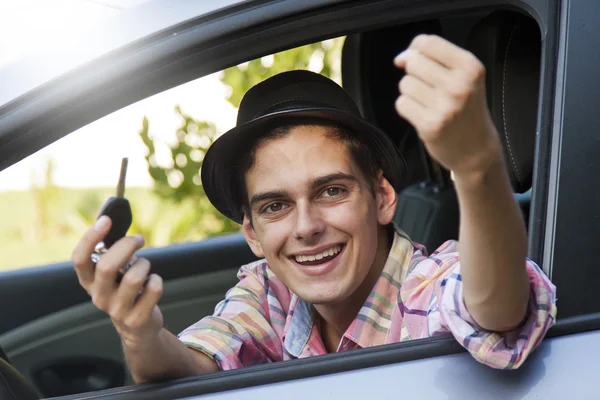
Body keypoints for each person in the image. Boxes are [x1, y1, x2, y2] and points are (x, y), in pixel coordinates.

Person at [71, 35, 556, 383]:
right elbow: (191, 366)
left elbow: (495, 308)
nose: (306, 227)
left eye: (331, 191)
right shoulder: (269, 293)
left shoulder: (426, 284)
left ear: (383, 198)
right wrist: (138, 332)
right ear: (253, 234)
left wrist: (476, 168)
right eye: (276, 205)